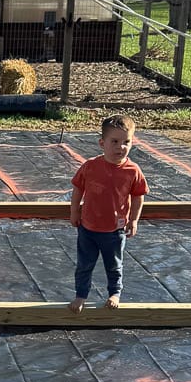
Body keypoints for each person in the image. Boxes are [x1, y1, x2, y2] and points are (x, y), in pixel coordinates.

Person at [68, 115, 148, 311]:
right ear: (102, 143)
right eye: (115, 142)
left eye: (126, 142)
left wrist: (134, 220)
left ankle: (114, 293)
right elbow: (78, 188)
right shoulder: (90, 166)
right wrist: (74, 211)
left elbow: (138, 196)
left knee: (114, 265)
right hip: (88, 228)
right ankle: (81, 296)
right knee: (84, 265)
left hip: (114, 231)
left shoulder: (132, 170)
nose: (120, 147)